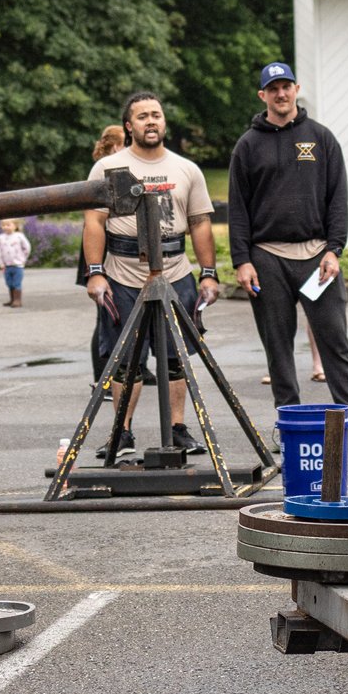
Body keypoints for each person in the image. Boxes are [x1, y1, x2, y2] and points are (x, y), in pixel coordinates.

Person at [229, 62, 348, 451]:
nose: (280, 94)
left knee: (334, 340)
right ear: (262, 95)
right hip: (268, 258)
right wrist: (241, 260)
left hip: (316, 256)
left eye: (286, 86)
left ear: (296, 89)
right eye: (272, 88)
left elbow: (337, 199)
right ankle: (287, 422)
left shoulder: (321, 138)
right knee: (277, 343)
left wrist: (334, 249)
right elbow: (238, 209)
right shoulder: (247, 145)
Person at [83, 93, 222, 457]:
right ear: (129, 126)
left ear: (164, 122)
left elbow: (200, 223)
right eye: (142, 116)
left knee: (177, 358)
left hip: (175, 272)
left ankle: (177, 429)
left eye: (156, 115)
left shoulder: (186, 169)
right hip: (123, 274)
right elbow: (94, 221)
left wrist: (209, 274)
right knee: (126, 359)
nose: (151, 121)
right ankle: (121, 434)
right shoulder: (108, 168)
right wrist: (95, 274)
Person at [0, 217, 31, 308]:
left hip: (17, 265)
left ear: (15, 226)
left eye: (8, 225)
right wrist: (1, 264)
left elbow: (27, 247)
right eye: (3, 225)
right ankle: (12, 300)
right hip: (6, 266)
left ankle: (17, 300)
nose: (5, 227)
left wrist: (23, 259)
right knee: (9, 283)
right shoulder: (1, 237)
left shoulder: (19, 236)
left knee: (16, 283)